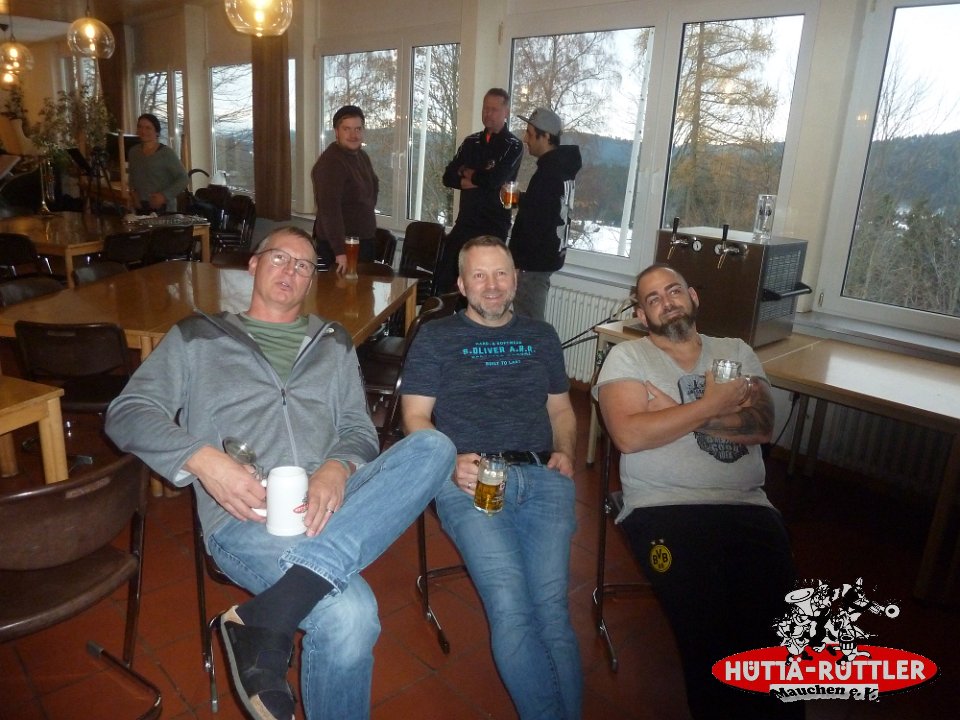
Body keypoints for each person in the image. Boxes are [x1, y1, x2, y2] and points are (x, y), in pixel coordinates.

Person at [105, 226, 455, 720]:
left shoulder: (332, 340)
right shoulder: (196, 336)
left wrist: (337, 467)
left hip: (333, 500)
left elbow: (358, 428)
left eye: (303, 265)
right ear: (253, 264)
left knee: (435, 445)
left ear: (312, 280)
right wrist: (202, 459)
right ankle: (280, 608)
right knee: (350, 615)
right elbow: (127, 413)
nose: (291, 270)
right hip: (249, 514)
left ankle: (270, 613)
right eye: (279, 258)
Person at [595, 264, 802, 720]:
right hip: (663, 508)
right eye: (652, 299)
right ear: (642, 314)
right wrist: (717, 405)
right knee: (707, 633)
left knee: (778, 635)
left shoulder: (736, 350)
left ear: (693, 297)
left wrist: (678, 414)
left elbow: (762, 426)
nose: (666, 302)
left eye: (673, 291)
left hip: (747, 506)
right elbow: (629, 435)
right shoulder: (629, 358)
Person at [401, 235, 582, 719]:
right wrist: (448, 459)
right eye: (479, 276)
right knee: (511, 607)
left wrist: (566, 452)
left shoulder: (542, 336)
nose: (493, 285)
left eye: (501, 273)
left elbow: (562, 410)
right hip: (470, 477)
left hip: (542, 474)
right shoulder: (437, 337)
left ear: (516, 279)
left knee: (552, 611)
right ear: (462, 285)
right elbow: (415, 417)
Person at [434, 88, 523, 294]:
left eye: (494, 109)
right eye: (485, 108)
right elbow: (448, 177)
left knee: (481, 289)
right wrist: (472, 178)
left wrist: (467, 172)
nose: (488, 114)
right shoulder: (471, 142)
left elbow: (494, 180)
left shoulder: (513, 145)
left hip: (493, 226)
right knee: (445, 282)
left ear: (506, 112)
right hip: (465, 222)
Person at [509, 107, 582, 321]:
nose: (525, 139)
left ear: (546, 137)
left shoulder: (548, 173)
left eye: (530, 134)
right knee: (530, 324)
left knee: (529, 328)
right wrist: (522, 199)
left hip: (532, 265)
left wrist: (517, 262)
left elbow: (536, 224)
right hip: (543, 261)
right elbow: (547, 208)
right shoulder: (561, 168)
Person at [311, 105, 379, 272]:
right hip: (340, 248)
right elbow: (329, 210)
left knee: (363, 289)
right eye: (346, 129)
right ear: (337, 132)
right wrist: (340, 251)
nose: (353, 135)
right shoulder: (332, 162)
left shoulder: (361, 156)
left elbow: (372, 190)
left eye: (358, 129)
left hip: (362, 242)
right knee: (340, 289)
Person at [127, 113, 188, 213]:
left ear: (157, 132)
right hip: (140, 208)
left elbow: (183, 178)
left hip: (164, 210)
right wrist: (133, 194)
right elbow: (132, 177)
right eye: (140, 127)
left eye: (148, 128)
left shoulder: (166, 153)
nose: (143, 131)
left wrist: (164, 196)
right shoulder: (133, 152)